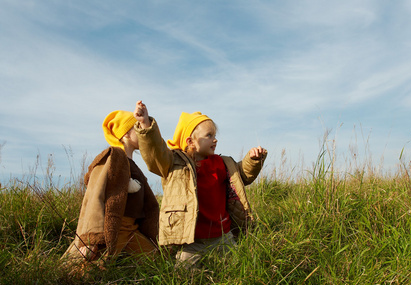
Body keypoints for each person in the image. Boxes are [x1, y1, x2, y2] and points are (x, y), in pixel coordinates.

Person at [133, 100, 267, 268]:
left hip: (223, 236)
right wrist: (145, 124)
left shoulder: (222, 163)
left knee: (237, 269)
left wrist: (253, 160)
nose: (215, 139)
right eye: (209, 135)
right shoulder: (174, 164)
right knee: (183, 274)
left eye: (215, 135)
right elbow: (155, 153)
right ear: (191, 142)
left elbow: (241, 176)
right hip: (192, 240)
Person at [63, 110, 159, 266]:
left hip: (131, 230)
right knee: (86, 269)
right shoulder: (113, 156)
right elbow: (94, 196)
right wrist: (91, 238)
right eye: (137, 127)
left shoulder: (133, 166)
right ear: (126, 134)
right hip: (113, 229)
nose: (141, 131)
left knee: (157, 263)